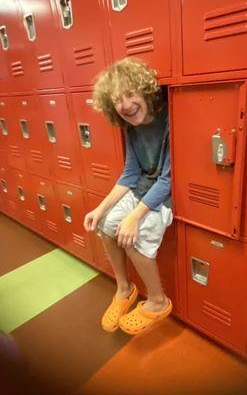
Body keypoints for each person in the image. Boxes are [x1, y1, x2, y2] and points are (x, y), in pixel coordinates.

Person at [83, 57, 173, 335]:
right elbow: (130, 173)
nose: (125, 105)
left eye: (130, 94)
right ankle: (125, 288)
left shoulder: (170, 119)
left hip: (166, 195)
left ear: (145, 91)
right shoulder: (131, 127)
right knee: (105, 224)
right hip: (142, 188)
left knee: (129, 235)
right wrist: (100, 209)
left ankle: (158, 301)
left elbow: (169, 179)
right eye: (117, 100)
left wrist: (135, 217)